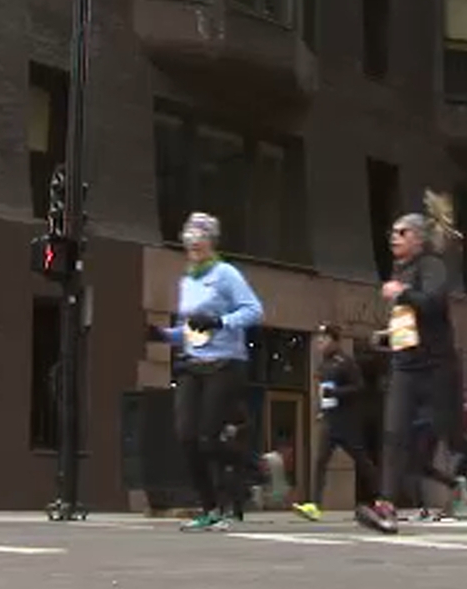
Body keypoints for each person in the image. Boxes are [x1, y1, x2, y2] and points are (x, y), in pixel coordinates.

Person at [149, 213, 265, 532]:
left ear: (212, 242)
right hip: (193, 362)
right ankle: (210, 508)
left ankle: (252, 466)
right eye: (190, 237)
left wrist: (220, 322)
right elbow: (189, 329)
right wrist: (163, 335)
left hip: (225, 363)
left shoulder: (226, 274)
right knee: (187, 437)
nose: (195, 243)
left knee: (207, 438)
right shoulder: (187, 281)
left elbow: (254, 310)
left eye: (201, 237)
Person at [358, 208, 462, 533]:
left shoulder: (431, 266)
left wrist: (400, 292)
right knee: (395, 433)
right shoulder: (399, 271)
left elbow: (432, 303)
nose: (394, 237)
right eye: (392, 232)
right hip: (405, 365)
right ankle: (386, 506)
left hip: (436, 365)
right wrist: (387, 335)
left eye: (401, 232)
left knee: (450, 430)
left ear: (417, 238)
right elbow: (408, 320)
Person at [291, 325, 380, 522]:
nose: (320, 343)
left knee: (363, 461)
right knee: (320, 461)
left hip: (347, 422)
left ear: (334, 341)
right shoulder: (323, 364)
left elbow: (359, 387)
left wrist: (337, 393)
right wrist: (321, 410)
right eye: (318, 339)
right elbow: (323, 391)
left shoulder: (346, 362)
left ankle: (382, 499)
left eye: (324, 339)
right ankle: (314, 505)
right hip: (330, 421)